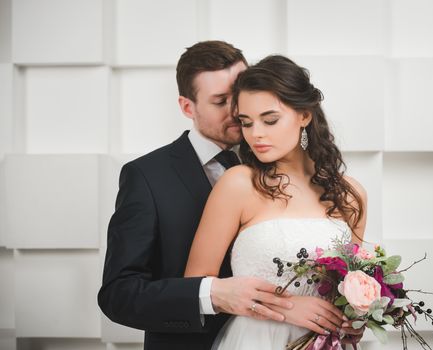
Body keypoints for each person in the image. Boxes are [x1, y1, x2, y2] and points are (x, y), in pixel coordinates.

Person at [97, 41, 295, 350]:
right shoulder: (147, 176)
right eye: (220, 101)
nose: (238, 110)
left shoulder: (279, 162)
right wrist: (211, 295)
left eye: (241, 93)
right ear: (188, 107)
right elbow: (118, 294)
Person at [184, 55, 368, 349]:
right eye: (246, 122)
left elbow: (351, 284)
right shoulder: (238, 183)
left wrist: (355, 320)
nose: (256, 134)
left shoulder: (349, 195)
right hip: (256, 339)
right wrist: (288, 307)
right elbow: (196, 281)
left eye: (270, 120)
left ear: (304, 115)